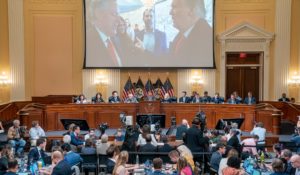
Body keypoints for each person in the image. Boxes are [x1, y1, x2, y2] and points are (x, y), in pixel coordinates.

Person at [169, 0, 213, 67]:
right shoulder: (180, 37)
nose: (170, 12)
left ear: (192, 11)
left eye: (174, 7)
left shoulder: (207, 38)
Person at [86, 0, 122, 67]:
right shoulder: (86, 42)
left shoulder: (116, 38)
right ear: (99, 14)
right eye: (114, 14)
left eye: (118, 15)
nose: (119, 21)